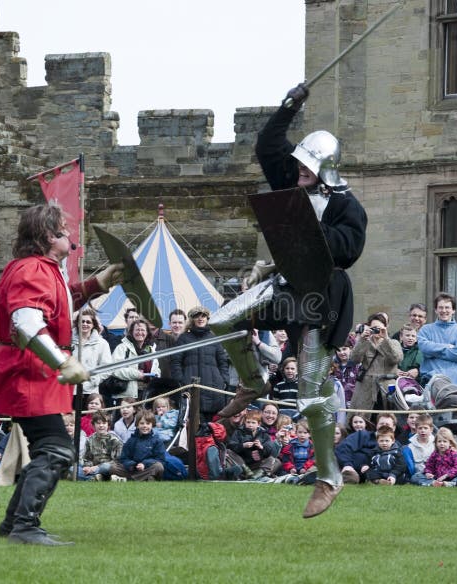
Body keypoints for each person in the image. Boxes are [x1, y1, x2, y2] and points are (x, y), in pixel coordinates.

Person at [207, 82, 367, 516]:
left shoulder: (347, 206)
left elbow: (349, 248)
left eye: (307, 166)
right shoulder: (290, 179)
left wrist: (308, 230)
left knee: (309, 397)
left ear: (325, 169)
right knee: (221, 321)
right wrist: (289, 105)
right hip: (285, 286)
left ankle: (329, 477)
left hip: (322, 298)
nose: (297, 170)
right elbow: (267, 144)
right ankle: (253, 380)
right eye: (298, 165)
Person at [0, 203, 122, 546]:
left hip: (31, 370)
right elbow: (26, 323)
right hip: (27, 371)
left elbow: (60, 307)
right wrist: (62, 363)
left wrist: (97, 284)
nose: (70, 234)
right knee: (56, 449)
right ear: (48, 236)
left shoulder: (42, 268)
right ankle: (24, 526)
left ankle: (15, 524)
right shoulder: (32, 269)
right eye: (63, 230)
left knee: (49, 447)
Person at [171, 306, 230, 421]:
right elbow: (175, 362)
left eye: (203, 316)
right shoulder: (183, 339)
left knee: (212, 428)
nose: (200, 318)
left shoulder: (214, 338)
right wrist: (181, 381)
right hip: (190, 387)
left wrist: (224, 380)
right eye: (197, 316)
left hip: (213, 389)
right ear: (192, 319)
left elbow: (223, 362)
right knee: (191, 427)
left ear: (207, 318)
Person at [348, 314, 402, 422]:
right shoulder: (365, 342)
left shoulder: (394, 343)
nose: (377, 331)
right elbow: (354, 359)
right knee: (363, 420)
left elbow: (396, 358)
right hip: (366, 389)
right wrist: (362, 340)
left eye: (380, 328)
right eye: (374, 328)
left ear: (386, 327)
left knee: (387, 420)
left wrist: (386, 338)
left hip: (386, 389)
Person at [416, 293, 457, 388]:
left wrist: (433, 351)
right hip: (431, 383)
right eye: (440, 307)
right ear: (436, 310)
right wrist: (447, 347)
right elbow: (424, 349)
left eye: (447, 307)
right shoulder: (425, 330)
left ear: (453, 310)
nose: (444, 311)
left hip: (456, 385)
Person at [336, 413, 398, 485]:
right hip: (354, 470)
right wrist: (347, 464)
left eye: (387, 424)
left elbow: (399, 463)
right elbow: (344, 447)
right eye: (381, 424)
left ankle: (378, 481)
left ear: (393, 428)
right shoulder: (362, 435)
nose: (384, 426)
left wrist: (393, 475)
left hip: (378, 473)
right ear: (377, 425)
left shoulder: (395, 445)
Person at [109, 319, 160, 406]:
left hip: (146, 395)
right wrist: (136, 374)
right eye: (137, 330)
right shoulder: (122, 348)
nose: (140, 332)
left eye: (143, 330)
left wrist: (156, 374)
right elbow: (114, 369)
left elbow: (157, 369)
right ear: (131, 332)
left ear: (147, 333)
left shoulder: (151, 350)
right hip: (125, 396)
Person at [109, 410, 166, 481]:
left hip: (147, 468)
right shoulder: (131, 440)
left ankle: (129, 479)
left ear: (152, 425)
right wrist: (133, 465)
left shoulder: (157, 441)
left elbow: (160, 459)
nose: (145, 426)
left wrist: (144, 464)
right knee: (113, 467)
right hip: (133, 469)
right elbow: (124, 458)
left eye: (148, 423)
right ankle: (144, 478)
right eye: (142, 423)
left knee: (159, 467)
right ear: (137, 425)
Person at [228, 408, 281, 479]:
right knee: (229, 452)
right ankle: (246, 472)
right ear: (245, 422)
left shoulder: (264, 434)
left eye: (253, 423)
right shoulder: (238, 432)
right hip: (243, 462)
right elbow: (231, 445)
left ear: (258, 424)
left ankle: (258, 475)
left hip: (257, 464)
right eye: (248, 422)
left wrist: (261, 447)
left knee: (276, 461)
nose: (250, 425)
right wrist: (243, 445)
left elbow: (270, 450)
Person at [71, 308, 112, 396]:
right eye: (82, 321)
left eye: (88, 322)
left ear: (93, 324)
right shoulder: (68, 341)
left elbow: (107, 367)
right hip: (70, 390)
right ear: (77, 323)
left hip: (90, 392)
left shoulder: (102, 343)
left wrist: (94, 381)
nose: (85, 324)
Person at [80, 411, 123, 481]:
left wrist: (97, 467)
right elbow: (87, 458)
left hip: (108, 467)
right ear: (93, 425)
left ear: (108, 425)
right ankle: (96, 478)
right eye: (98, 423)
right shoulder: (89, 440)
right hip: (92, 468)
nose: (101, 425)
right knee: (73, 469)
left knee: (106, 467)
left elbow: (117, 460)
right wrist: (88, 467)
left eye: (104, 423)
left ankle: (94, 477)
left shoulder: (115, 440)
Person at [406, 414, 436, 484]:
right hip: (420, 473)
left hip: (435, 471)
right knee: (414, 478)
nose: (423, 431)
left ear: (431, 429)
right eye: (420, 428)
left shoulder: (435, 444)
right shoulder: (410, 446)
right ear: (416, 429)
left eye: (425, 428)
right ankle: (433, 483)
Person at [331, 338, 360, 407]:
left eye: (344, 349)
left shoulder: (358, 366)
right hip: (336, 405)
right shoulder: (332, 366)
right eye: (338, 350)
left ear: (351, 348)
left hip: (353, 405)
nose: (341, 352)